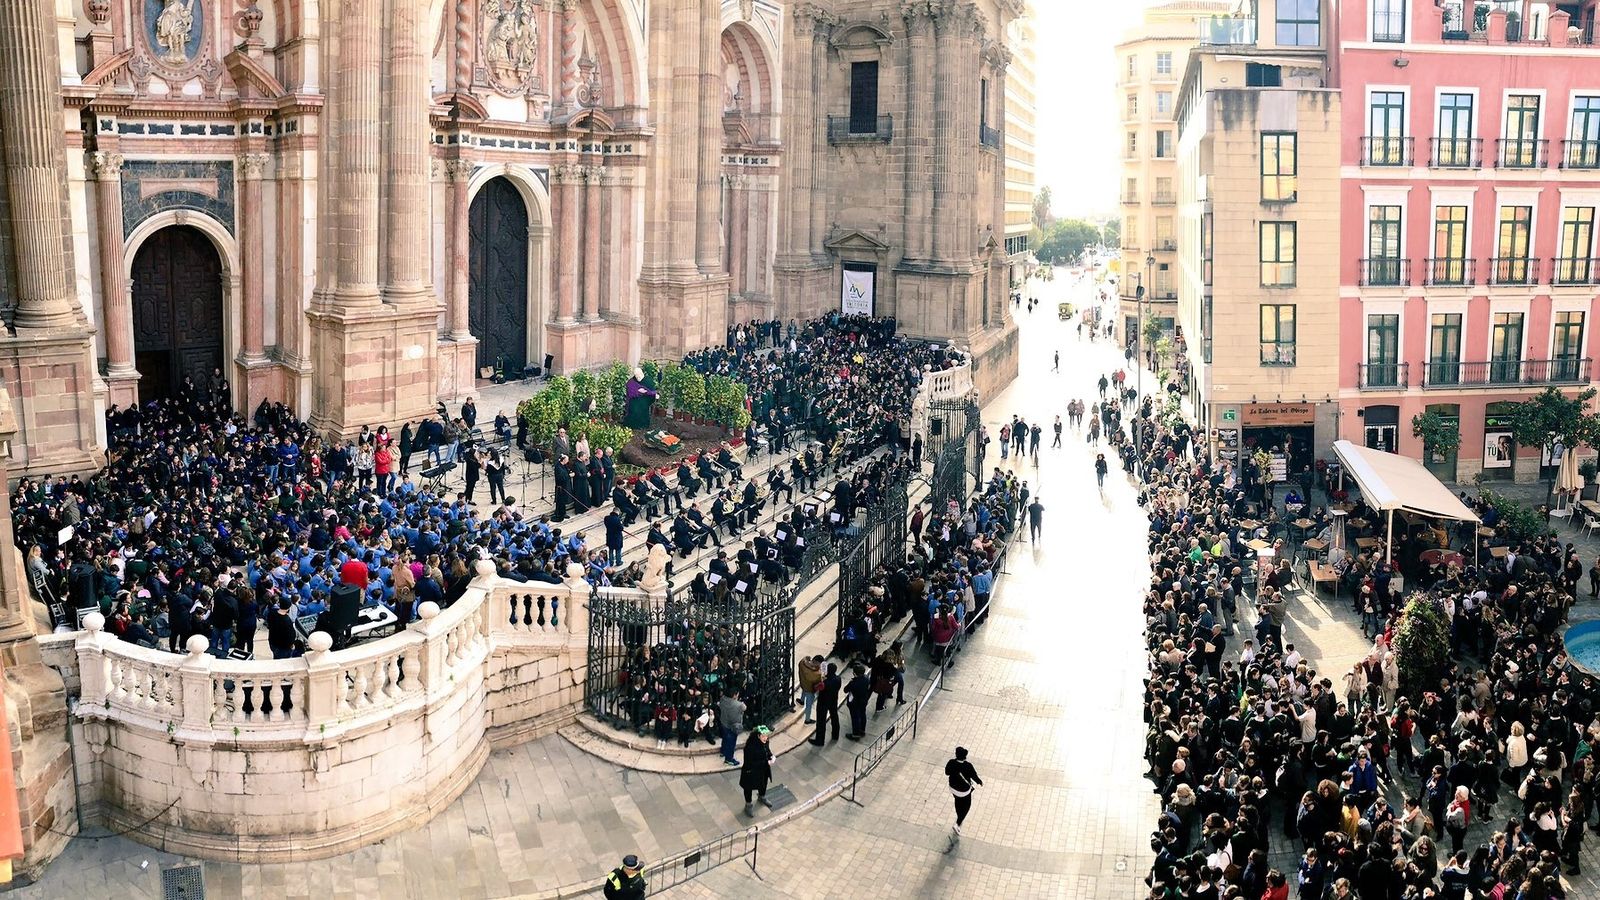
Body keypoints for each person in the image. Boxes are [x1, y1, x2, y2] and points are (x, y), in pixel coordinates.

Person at [945, 746, 983, 840]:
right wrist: (979, 781)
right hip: (964, 791)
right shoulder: (968, 766)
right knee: (967, 806)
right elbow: (974, 775)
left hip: (953, 788)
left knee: (958, 801)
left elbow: (947, 772)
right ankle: (958, 823)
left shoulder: (951, 762)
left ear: (956, 755)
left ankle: (958, 816)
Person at [740, 725, 774, 816]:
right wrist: (766, 762)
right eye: (763, 736)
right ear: (758, 736)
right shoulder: (750, 747)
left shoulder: (766, 741)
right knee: (748, 788)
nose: (765, 738)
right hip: (750, 772)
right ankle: (748, 805)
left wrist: (771, 756)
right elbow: (749, 763)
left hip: (763, 770)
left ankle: (762, 796)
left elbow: (767, 750)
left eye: (766, 736)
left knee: (763, 783)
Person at [808, 662, 840, 745]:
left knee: (821, 721)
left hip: (823, 702)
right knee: (834, 717)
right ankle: (835, 735)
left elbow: (816, 688)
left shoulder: (825, 682)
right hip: (833, 701)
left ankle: (820, 740)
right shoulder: (838, 679)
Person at [843, 662, 870, 740]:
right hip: (863, 700)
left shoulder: (854, 683)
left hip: (855, 702)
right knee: (862, 714)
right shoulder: (866, 679)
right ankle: (862, 730)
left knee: (855, 717)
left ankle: (855, 734)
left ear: (855, 673)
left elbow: (845, 690)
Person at [717, 690, 744, 767]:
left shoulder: (723, 700)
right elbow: (744, 708)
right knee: (731, 743)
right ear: (734, 696)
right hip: (733, 726)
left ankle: (723, 751)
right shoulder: (738, 704)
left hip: (724, 723)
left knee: (725, 738)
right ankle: (729, 759)